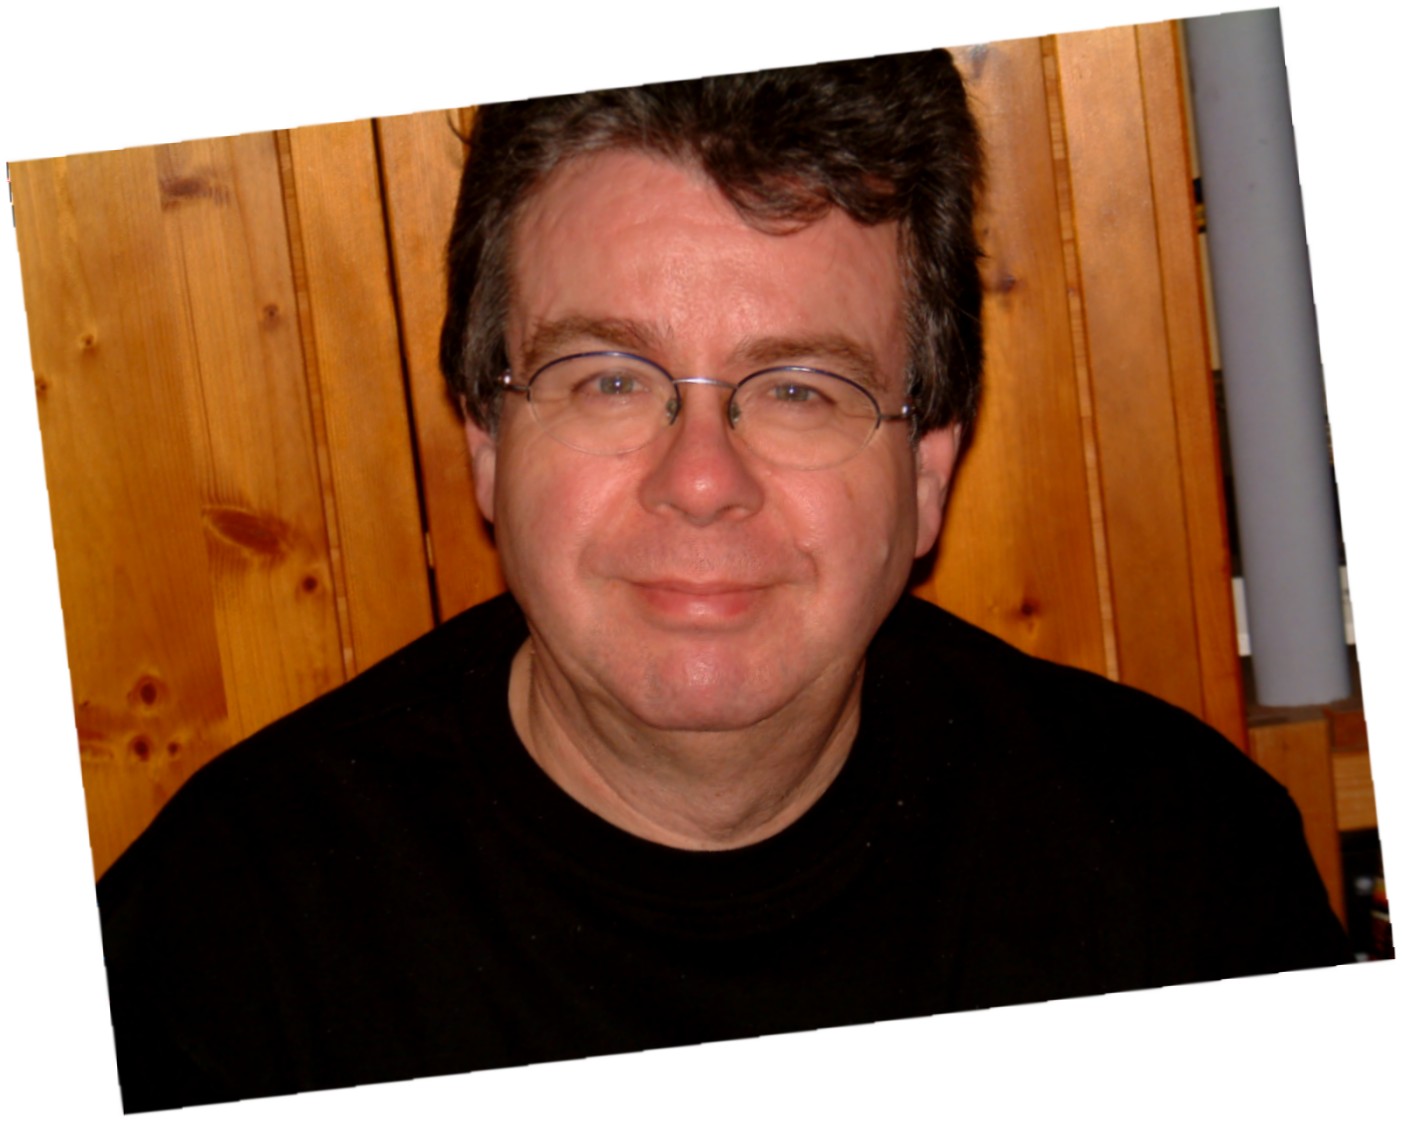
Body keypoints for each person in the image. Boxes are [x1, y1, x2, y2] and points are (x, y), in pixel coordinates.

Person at [97, 50, 1350, 1114]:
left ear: (925, 471)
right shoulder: (220, 945)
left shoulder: (1185, 882)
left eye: (801, 388)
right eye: (608, 378)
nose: (700, 482)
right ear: (487, 443)